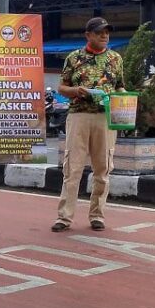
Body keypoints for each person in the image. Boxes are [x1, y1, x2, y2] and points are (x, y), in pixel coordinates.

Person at [52, 17, 124, 233]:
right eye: (100, 32)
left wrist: (125, 100)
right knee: (72, 168)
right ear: (88, 35)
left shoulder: (115, 58)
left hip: (105, 118)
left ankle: (97, 216)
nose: (104, 35)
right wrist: (76, 91)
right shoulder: (74, 58)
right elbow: (62, 87)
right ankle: (64, 217)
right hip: (79, 116)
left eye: (107, 32)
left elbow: (120, 87)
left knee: (103, 169)